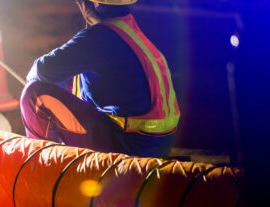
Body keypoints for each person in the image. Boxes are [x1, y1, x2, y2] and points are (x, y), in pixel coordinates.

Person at [20, 0, 180, 157]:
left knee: (35, 94)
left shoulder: (100, 37)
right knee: (72, 84)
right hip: (154, 145)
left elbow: (42, 70)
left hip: (129, 146)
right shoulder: (129, 32)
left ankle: (44, 167)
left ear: (90, 5)